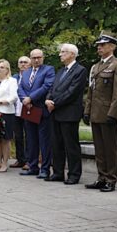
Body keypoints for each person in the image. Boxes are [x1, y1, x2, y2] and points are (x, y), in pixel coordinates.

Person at [83, 31, 117, 192]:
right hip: (96, 112)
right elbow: (91, 91)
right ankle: (101, 176)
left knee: (110, 148)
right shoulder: (96, 66)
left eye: (103, 45)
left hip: (108, 113)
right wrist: (87, 111)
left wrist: (113, 113)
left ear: (112, 46)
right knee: (100, 148)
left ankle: (111, 178)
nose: (99, 48)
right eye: (98, 45)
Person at [45, 44, 87, 185]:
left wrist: (55, 103)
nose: (60, 55)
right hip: (55, 112)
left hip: (69, 113)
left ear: (72, 54)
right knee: (56, 144)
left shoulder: (80, 70)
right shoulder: (60, 71)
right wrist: (48, 100)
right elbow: (53, 88)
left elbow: (72, 92)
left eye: (63, 52)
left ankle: (74, 174)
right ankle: (57, 172)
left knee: (71, 145)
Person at [17, 49, 55, 179]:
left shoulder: (48, 70)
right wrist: (24, 99)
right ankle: (32, 166)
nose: (36, 60)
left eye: (39, 57)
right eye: (34, 58)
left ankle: (45, 169)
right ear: (30, 59)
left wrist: (31, 98)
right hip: (28, 110)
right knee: (31, 140)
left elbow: (46, 86)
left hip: (41, 110)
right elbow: (20, 87)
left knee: (44, 141)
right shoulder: (26, 72)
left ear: (43, 58)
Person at [11, 56, 31, 169]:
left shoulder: (32, 76)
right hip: (15, 110)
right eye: (21, 62)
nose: (23, 64)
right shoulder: (14, 78)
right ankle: (20, 159)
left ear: (29, 64)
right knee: (18, 136)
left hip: (28, 109)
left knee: (29, 136)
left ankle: (29, 160)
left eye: (25, 62)